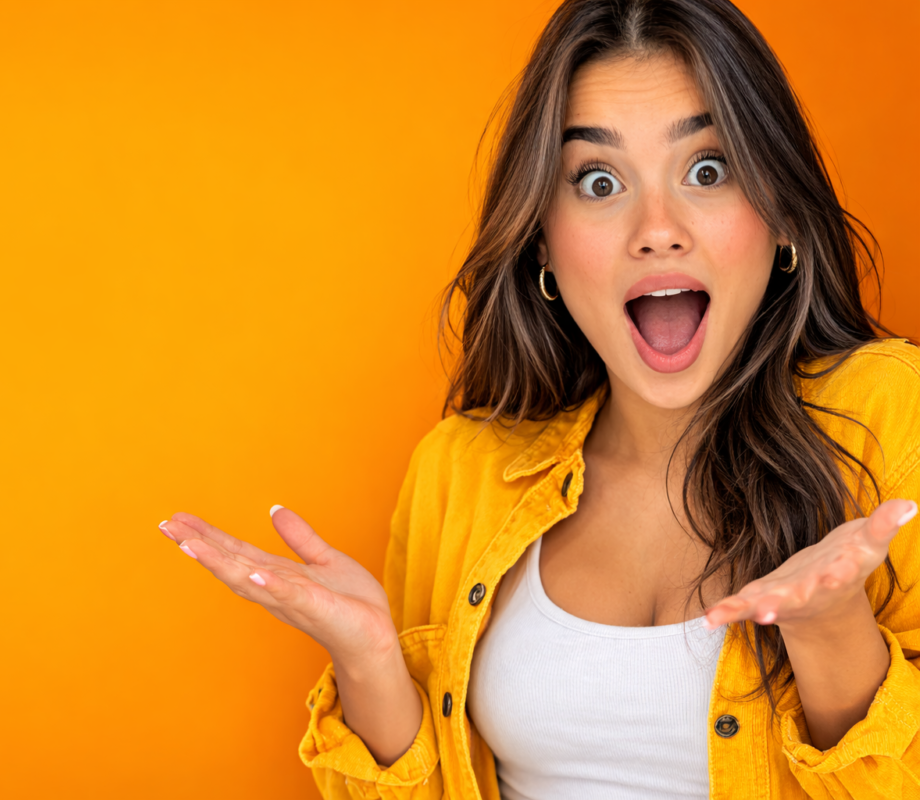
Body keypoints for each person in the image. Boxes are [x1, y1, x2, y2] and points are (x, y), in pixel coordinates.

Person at [158, 0, 920, 797]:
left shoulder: (886, 419)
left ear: (783, 215)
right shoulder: (463, 472)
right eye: (598, 181)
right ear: (543, 247)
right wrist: (371, 662)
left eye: (706, 169)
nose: (657, 230)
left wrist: (831, 631)